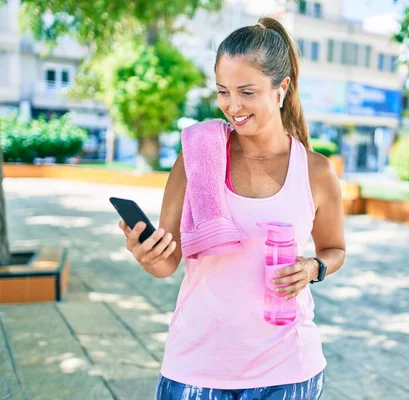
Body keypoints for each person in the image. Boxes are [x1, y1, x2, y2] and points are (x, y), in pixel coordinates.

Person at [119, 16, 345, 400]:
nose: (232, 106)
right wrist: (146, 254)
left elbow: (334, 250)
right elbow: (166, 264)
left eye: (247, 92)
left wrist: (312, 268)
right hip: (196, 367)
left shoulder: (316, 171)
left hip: (289, 369)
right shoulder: (196, 156)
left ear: (281, 88)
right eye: (223, 91)